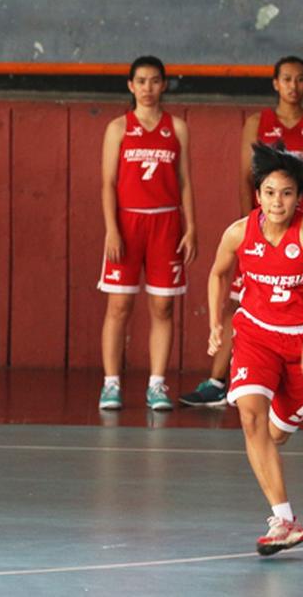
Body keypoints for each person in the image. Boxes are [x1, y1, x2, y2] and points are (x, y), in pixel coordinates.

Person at [208, 141, 303, 556]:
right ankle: (284, 519)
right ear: (258, 195)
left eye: (286, 193)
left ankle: (280, 500)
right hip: (255, 335)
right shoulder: (239, 233)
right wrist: (217, 321)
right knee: (251, 419)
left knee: (275, 434)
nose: (277, 201)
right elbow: (218, 273)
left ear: (299, 197)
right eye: (269, 192)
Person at [181, 56, 303, 407]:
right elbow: (245, 177)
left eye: (300, 79)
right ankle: (219, 379)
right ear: (275, 83)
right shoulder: (258, 122)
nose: (293, 86)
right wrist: (251, 223)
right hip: (264, 232)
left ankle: (289, 378)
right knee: (242, 301)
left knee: (300, 307)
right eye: (286, 79)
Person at [96, 56, 196, 411]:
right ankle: (111, 383)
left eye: (155, 81)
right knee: (119, 306)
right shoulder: (118, 128)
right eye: (141, 81)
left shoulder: (177, 128)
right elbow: (108, 183)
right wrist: (112, 229)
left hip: (166, 223)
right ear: (130, 85)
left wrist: (192, 226)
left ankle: (157, 383)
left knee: (163, 307)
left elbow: (184, 182)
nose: (148, 88)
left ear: (164, 84)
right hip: (128, 222)